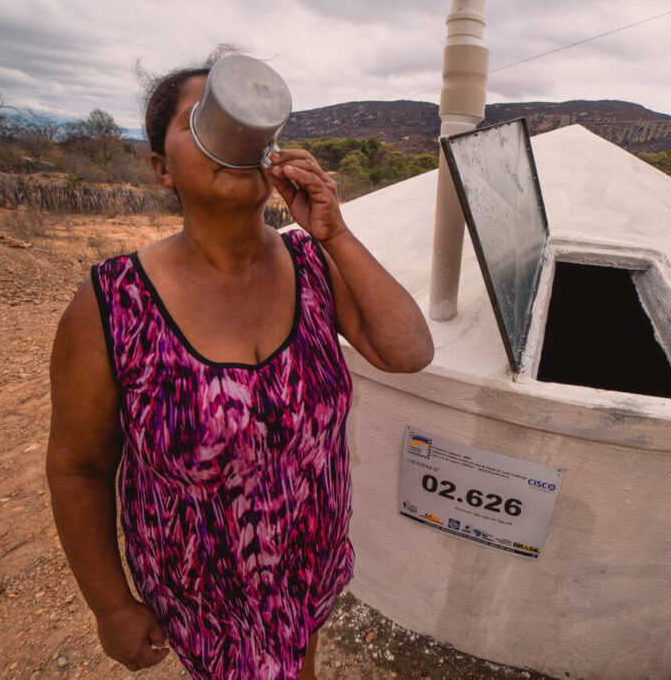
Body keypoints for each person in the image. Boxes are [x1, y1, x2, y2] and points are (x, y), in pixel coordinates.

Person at [46, 59, 434, 680]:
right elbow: (78, 466)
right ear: (162, 168)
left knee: (300, 662)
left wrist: (334, 233)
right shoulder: (112, 304)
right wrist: (111, 605)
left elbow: (409, 351)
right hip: (204, 597)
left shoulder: (313, 265)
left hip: (310, 559)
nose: (230, 135)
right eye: (201, 120)